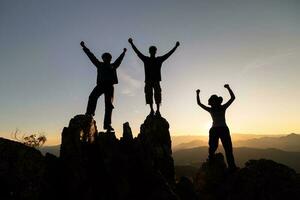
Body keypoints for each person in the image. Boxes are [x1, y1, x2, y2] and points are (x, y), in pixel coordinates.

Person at [80, 41, 126, 131]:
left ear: (110, 58)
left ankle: (107, 125)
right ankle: (89, 114)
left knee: (109, 105)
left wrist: (123, 53)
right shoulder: (99, 64)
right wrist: (84, 47)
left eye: (108, 57)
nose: (106, 59)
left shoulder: (113, 66)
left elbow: (119, 60)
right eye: (105, 57)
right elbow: (91, 56)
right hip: (101, 85)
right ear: (103, 58)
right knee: (92, 97)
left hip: (110, 86)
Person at [128, 38, 180, 116]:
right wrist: (132, 44)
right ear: (150, 52)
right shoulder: (146, 59)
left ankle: (158, 110)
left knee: (157, 95)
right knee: (149, 95)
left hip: (156, 81)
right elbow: (137, 52)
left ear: (155, 51)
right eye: (151, 50)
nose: (152, 52)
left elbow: (168, 54)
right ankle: (152, 110)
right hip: (148, 81)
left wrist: (175, 47)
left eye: (153, 50)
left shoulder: (158, 59)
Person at [196, 84, 237, 170]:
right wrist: (197, 94)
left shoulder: (213, 109)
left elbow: (199, 104)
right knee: (225, 148)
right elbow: (233, 98)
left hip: (216, 129)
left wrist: (198, 93)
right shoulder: (221, 107)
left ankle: (218, 163)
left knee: (218, 147)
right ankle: (231, 167)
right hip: (222, 129)